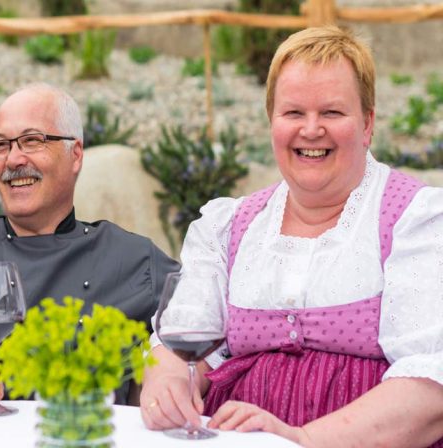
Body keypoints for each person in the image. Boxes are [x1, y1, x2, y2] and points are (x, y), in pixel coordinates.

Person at [140, 26, 443, 447]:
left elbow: (432, 387)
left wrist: (299, 438)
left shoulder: (415, 219)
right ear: (272, 123)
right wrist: (168, 381)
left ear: (368, 124)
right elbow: (181, 345)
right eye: (293, 113)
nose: (311, 129)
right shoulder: (229, 226)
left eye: (332, 113)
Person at [0, 83, 180, 408]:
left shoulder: (133, 258)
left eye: (32, 141)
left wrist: (167, 376)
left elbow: (205, 324)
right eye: (2, 145)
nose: (13, 159)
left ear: (75, 155)